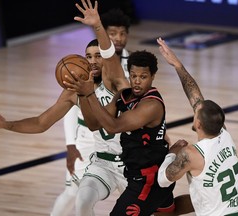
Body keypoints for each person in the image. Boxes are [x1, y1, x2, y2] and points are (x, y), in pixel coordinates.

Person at [156, 38, 238, 215]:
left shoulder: (190, 154)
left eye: (196, 112)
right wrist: (177, 65)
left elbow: (162, 179)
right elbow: (197, 98)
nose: (195, 108)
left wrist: (171, 153)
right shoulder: (224, 135)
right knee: (197, 197)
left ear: (197, 123)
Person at [51, 6, 133, 216]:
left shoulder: (133, 65)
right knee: (74, 192)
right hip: (88, 138)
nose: (118, 38)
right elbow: (70, 106)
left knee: (135, 203)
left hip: (121, 139)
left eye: (122, 33)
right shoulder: (87, 64)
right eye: (112, 33)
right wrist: (70, 144)